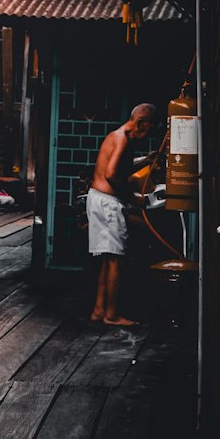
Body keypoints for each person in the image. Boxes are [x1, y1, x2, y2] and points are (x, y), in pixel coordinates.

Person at [86, 102, 158, 326]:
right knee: (116, 259)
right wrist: (131, 197)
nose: (146, 135)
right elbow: (112, 174)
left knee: (108, 258)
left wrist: (146, 160)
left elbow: (120, 167)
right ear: (140, 122)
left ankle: (99, 310)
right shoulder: (123, 139)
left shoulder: (115, 135)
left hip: (97, 199)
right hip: (108, 204)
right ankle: (111, 315)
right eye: (148, 129)